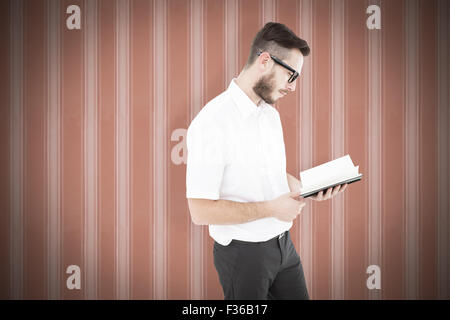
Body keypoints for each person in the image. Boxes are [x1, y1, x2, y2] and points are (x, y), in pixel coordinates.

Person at [185, 22, 347, 300]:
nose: (293, 87)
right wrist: (273, 208)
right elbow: (200, 211)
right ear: (264, 61)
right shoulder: (212, 122)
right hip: (244, 255)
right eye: (291, 75)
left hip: (284, 248)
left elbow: (270, 174)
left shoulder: (269, 114)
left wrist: (307, 188)